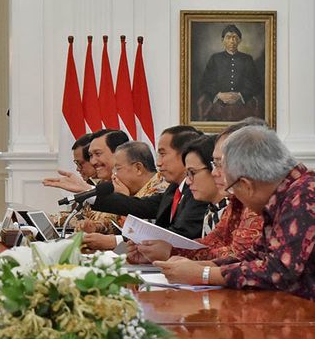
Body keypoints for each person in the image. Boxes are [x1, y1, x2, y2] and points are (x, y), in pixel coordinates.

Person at [156, 126, 315, 300]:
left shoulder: (305, 195)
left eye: (232, 189)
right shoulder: (286, 195)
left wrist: (204, 274)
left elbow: (279, 272)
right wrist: (201, 265)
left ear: (247, 185)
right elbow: (254, 255)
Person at [130, 119, 265, 263]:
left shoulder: (260, 200)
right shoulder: (237, 199)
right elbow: (214, 241)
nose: (215, 173)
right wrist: (159, 251)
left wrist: (172, 254)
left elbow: (238, 255)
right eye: (214, 164)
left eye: (219, 164)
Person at [90, 126, 209, 239]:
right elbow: (141, 206)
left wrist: (116, 241)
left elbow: (181, 236)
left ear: (185, 155)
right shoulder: (175, 188)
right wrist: (87, 194)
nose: (158, 163)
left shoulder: (198, 192)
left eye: (162, 154)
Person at [82, 141, 167, 250]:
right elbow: (113, 223)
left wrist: (125, 198)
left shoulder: (161, 188)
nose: (114, 175)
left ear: (138, 168)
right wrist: (96, 227)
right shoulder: (132, 189)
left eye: (118, 169)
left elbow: (146, 233)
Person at [44, 129, 129, 234]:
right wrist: (49, 219)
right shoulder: (103, 184)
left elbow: (114, 222)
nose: (93, 161)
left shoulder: (130, 185)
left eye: (97, 154)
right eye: (91, 156)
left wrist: (86, 189)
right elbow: (82, 215)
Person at [198, 24, 263, 121]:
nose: (232, 41)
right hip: (218, 104)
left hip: (242, 104)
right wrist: (219, 94)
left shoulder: (247, 59)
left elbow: (256, 84)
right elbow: (205, 83)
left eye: (235, 38)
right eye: (228, 37)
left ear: (239, 40)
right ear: (222, 40)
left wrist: (239, 95)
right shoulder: (215, 58)